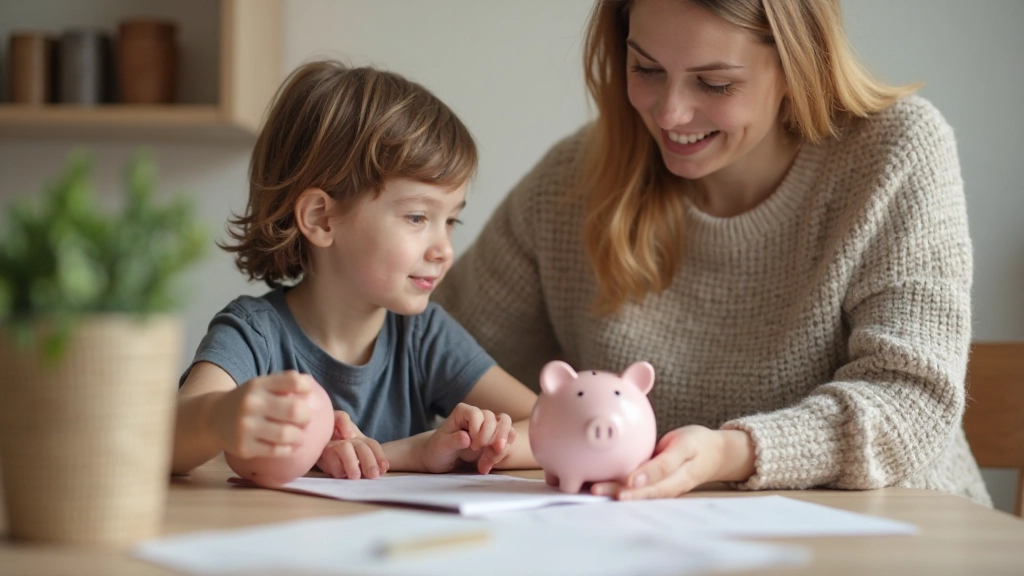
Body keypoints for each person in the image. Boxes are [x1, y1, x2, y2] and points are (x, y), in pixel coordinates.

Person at [434, 0, 992, 505]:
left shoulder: (895, 153)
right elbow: (433, 352)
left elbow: (912, 399)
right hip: (647, 541)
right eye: (646, 69)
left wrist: (733, 452)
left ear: (800, 65)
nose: (670, 113)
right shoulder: (573, 182)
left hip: (900, 535)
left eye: (715, 84)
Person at [172, 60, 537, 480]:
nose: (444, 250)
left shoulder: (423, 336)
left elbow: (552, 427)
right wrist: (220, 416)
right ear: (322, 219)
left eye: (451, 221)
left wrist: (435, 450)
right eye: (418, 217)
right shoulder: (254, 334)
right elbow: (162, 444)